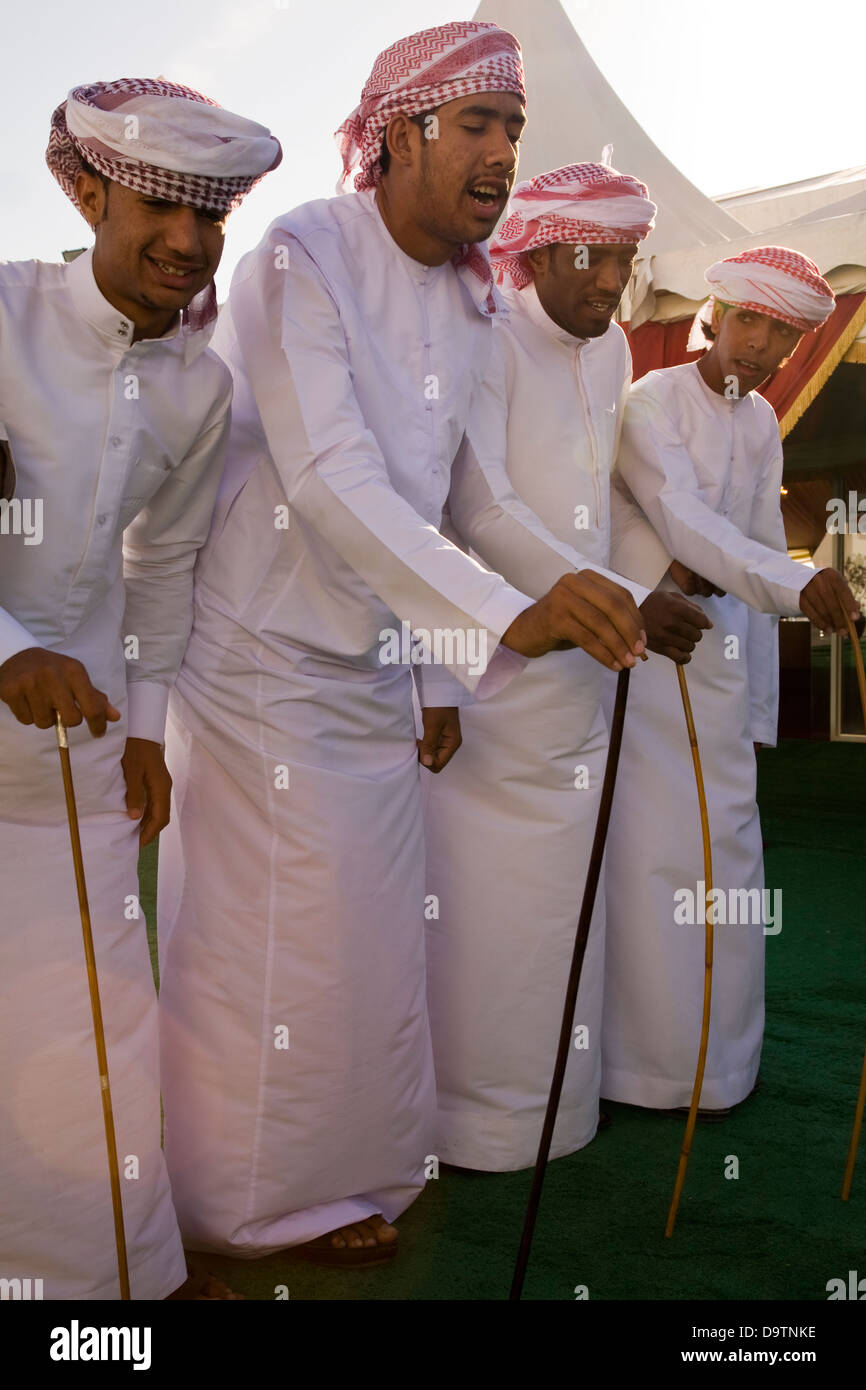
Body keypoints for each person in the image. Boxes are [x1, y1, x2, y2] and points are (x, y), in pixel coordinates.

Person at [157, 23, 653, 1267]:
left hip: (372, 665)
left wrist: (577, 588)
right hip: (259, 661)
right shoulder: (301, 255)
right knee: (275, 950)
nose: (500, 156)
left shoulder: (471, 295)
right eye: (477, 126)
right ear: (400, 133)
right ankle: (237, 1205)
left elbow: (472, 501)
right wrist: (496, 617)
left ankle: (352, 1177)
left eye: (513, 134)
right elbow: (328, 476)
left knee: (372, 947)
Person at [0, 77, 280, 1299]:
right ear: (92, 192)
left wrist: (151, 733)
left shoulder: (198, 386)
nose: (186, 240)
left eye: (211, 216)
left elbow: (159, 569)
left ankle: (113, 1285)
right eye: (161, 205)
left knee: (94, 1026)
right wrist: (5, 645)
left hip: (83, 759)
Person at [421, 163, 710, 1171]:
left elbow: (599, 502)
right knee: (490, 908)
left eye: (628, 259)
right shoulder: (485, 336)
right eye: (596, 256)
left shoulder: (613, 349)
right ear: (537, 250)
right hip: (494, 663)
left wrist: (637, 586)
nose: (613, 280)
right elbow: (479, 507)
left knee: (562, 910)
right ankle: (469, 1128)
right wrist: (606, 595)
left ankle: (562, 1111)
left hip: (587, 668)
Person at [602, 246, 861, 1116]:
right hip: (646, 661)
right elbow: (682, 523)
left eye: (781, 334)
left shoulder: (757, 425)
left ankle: (720, 1069)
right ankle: (643, 1071)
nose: (759, 346)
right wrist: (796, 579)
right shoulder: (649, 401)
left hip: (718, 672)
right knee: (654, 858)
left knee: (729, 861)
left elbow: (744, 544)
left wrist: (757, 712)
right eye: (749, 320)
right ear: (716, 311)